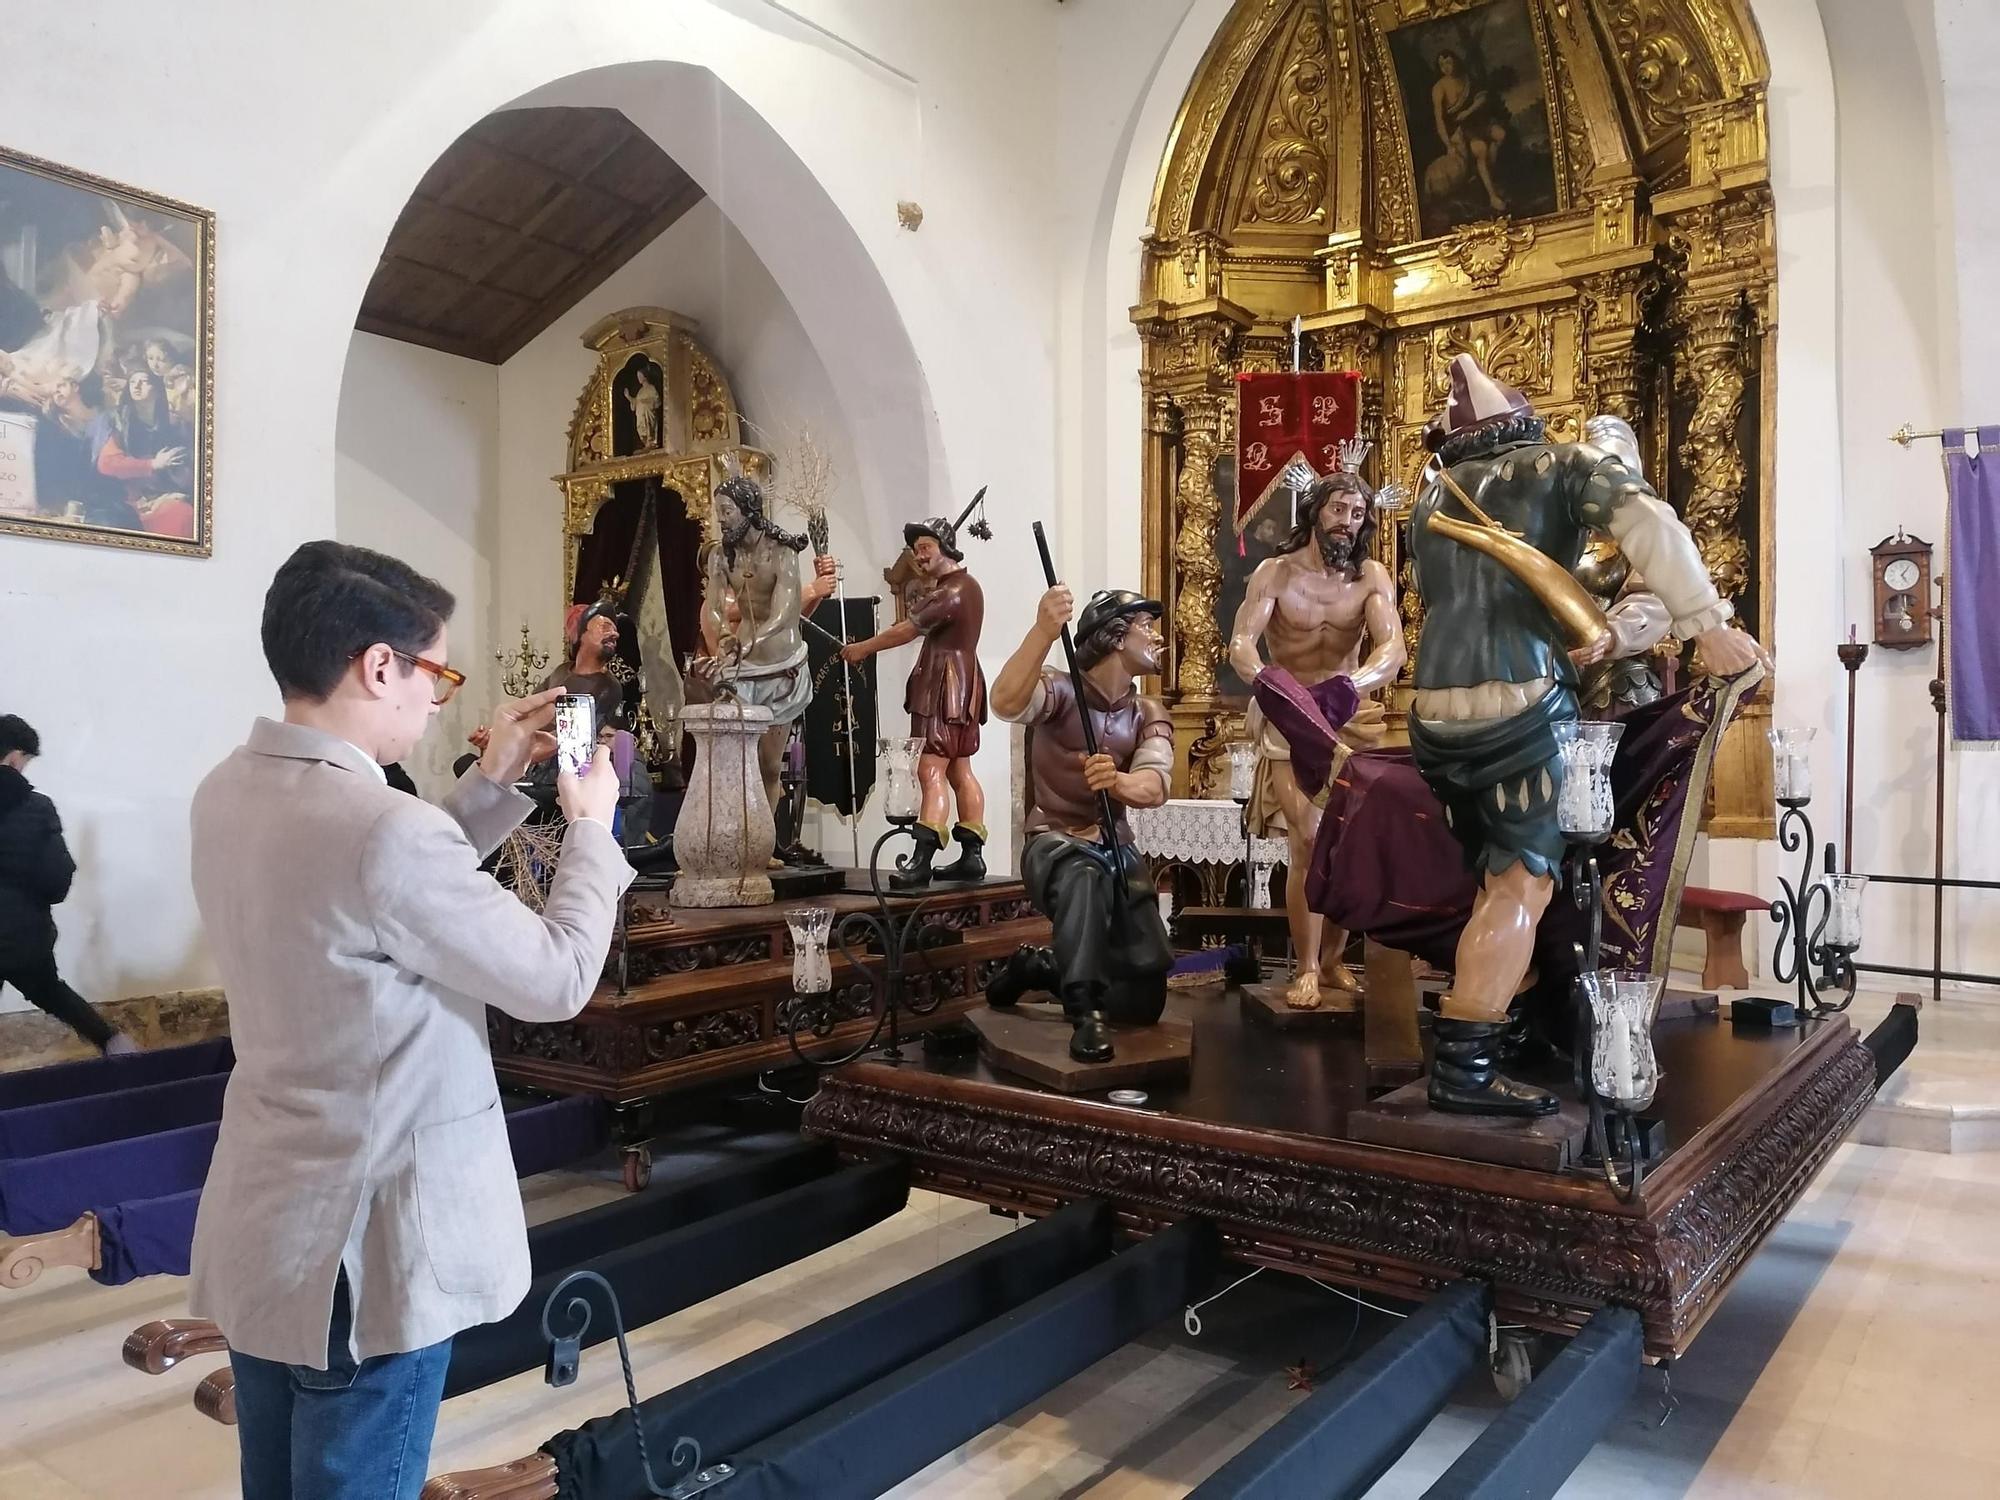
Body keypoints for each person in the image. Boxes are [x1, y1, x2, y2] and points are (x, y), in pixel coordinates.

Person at [188, 540, 628, 1500]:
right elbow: (555, 981)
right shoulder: (382, 829)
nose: (437, 697)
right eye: (432, 670)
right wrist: (592, 827)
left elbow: (370, 905)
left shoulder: (227, 790)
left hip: (268, 1229)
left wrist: (489, 787)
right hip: (368, 1252)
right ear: (377, 665)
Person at [1406, 355, 1767, 1116]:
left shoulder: (1431, 494)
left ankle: (1513, 1030)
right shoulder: (1561, 466)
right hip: (1521, 704)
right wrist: (1709, 625)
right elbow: (1650, 522)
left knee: (1495, 881)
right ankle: (1464, 1071)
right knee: (1522, 884)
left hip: (1435, 709)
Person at [1228, 445, 1403, 1008]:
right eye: (1337, 512)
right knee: (1306, 841)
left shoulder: (1371, 577)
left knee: (1349, 845)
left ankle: (1332, 962)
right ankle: (1303, 966)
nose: (1346, 524)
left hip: (1351, 714)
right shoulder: (1276, 574)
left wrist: (1352, 686)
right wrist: (1273, 688)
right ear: (1315, 512)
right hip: (1289, 718)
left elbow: (1393, 649)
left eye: (1356, 514)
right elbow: (1240, 645)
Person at [986, 587, 1174, 1063]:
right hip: (1055, 840)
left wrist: (1119, 784)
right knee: (1084, 877)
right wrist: (1044, 631)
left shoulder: (1147, 712)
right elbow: (1005, 703)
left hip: (1115, 845)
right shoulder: (1059, 691)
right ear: (1114, 637)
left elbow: (1155, 785)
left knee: (1142, 1002)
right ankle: (1082, 1007)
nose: (1157, 636)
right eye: (1145, 626)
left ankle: (1042, 968)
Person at [842, 512, 989, 888]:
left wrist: (863, 648)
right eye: (915, 550)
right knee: (960, 770)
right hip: (965, 687)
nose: (919, 556)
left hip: (943, 686)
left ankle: (922, 860)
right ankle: (972, 857)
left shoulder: (951, 591)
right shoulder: (968, 587)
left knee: (930, 770)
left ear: (945, 548)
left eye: (925, 548)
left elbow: (908, 629)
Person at [0, 715, 137, 1055]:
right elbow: (57, 882)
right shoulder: (37, 809)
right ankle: (117, 1049)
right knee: (51, 991)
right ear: (16, 758)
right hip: (24, 941)